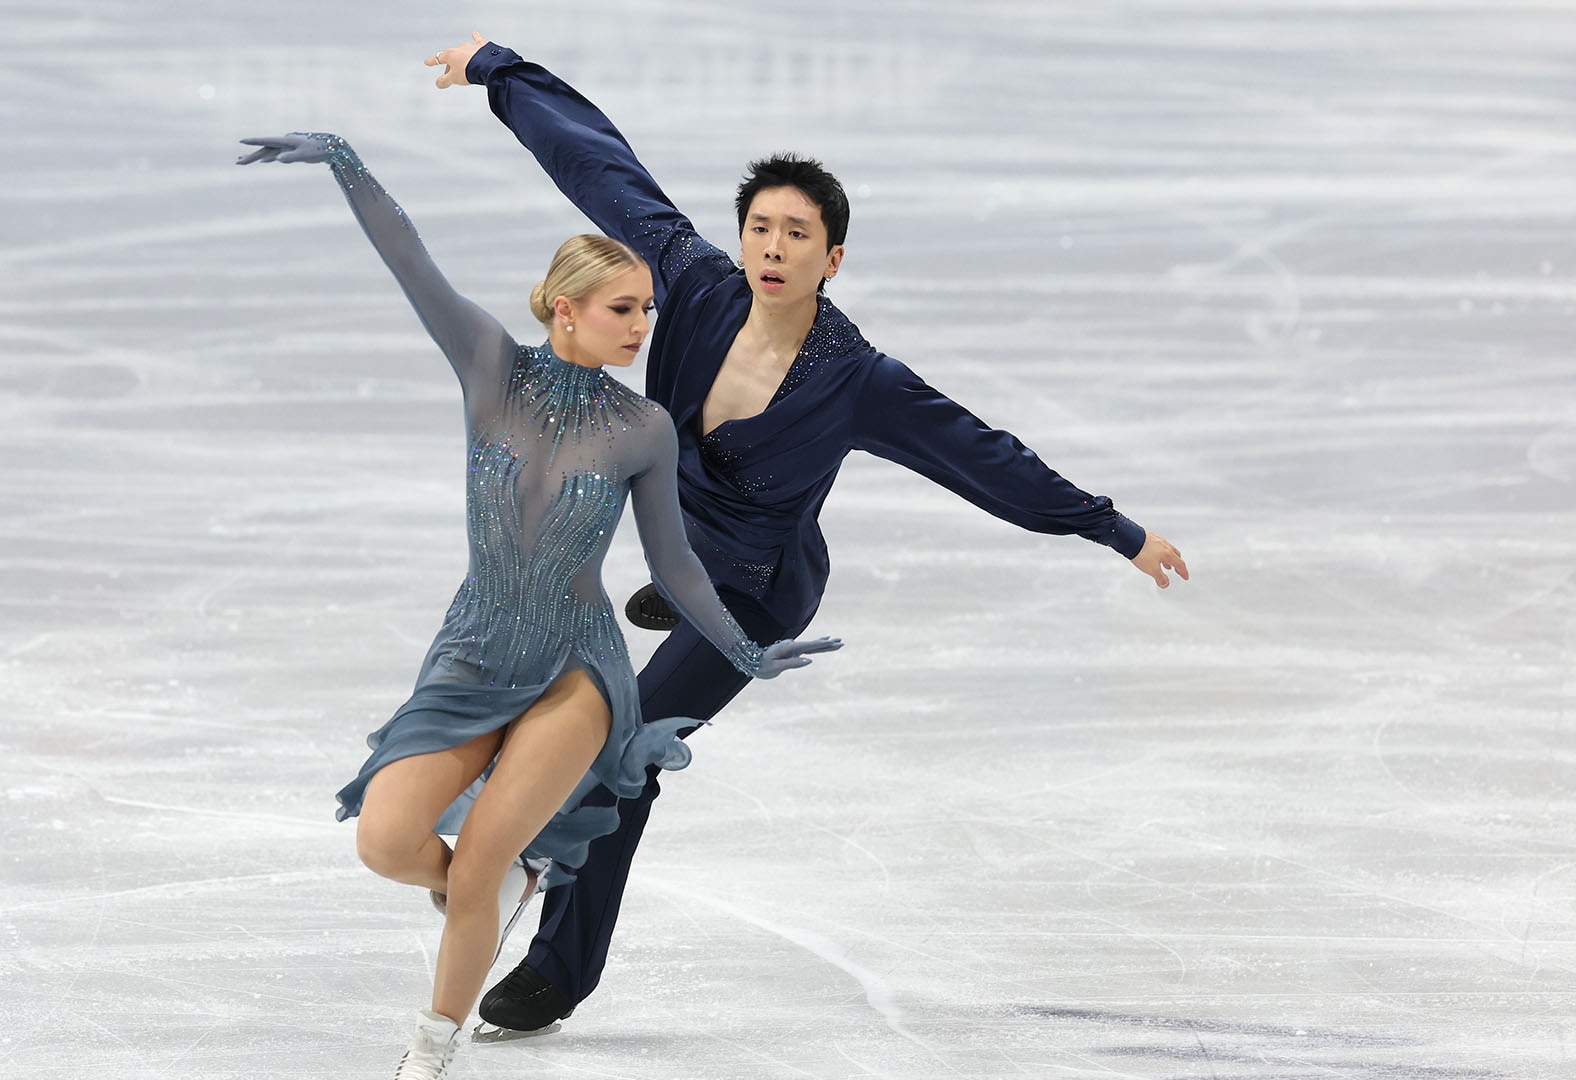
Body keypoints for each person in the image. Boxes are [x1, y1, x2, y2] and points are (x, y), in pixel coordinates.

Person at [424, 34, 1192, 1034]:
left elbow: (981, 454)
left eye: (797, 233)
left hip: (755, 587)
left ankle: (559, 969)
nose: (773, 246)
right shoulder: (694, 288)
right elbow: (604, 169)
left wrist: (1113, 529)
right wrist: (501, 70)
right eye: (760, 228)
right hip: (683, 543)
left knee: (627, 750)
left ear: (832, 257)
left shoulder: (856, 379)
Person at [235, 131, 840, 1077]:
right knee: (388, 841)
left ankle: (431, 1046)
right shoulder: (489, 368)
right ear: (566, 311)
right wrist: (347, 161)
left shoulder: (639, 428)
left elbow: (676, 567)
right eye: (624, 309)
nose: (644, 328)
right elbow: (411, 262)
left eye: (647, 308)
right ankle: (505, 881)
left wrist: (742, 648)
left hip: (574, 668)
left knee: (473, 865)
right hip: (474, 651)